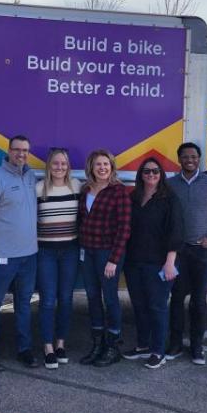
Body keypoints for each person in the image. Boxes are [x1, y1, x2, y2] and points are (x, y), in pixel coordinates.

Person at [165, 142, 207, 366]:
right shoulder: (170, 184)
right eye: (185, 156)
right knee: (176, 299)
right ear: (179, 159)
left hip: (202, 252)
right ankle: (175, 344)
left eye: (194, 156)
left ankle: (197, 347)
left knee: (199, 302)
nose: (190, 160)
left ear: (199, 158)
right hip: (178, 252)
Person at [0, 135, 39, 372]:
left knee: (24, 304)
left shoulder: (31, 176)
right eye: (17, 150)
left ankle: (24, 350)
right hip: (2, 255)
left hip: (29, 255)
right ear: (9, 151)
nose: (21, 154)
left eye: (25, 150)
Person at [122, 158, 182, 370]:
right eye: (146, 171)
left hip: (159, 263)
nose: (151, 175)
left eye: (155, 171)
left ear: (161, 174)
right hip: (134, 262)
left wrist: (170, 262)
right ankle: (143, 345)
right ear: (141, 175)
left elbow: (175, 232)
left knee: (157, 307)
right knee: (139, 306)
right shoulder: (134, 197)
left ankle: (158, 351)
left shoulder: (169, 199)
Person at [77, 149, 131, 367]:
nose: (102, 168)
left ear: (111, 167)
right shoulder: (86, 189)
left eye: (106, 165)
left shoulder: (119, 192)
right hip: (87, 252)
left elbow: (124, 228)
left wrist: (114, 259)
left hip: (107, 253)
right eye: (98, 164)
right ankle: (97, 344)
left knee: (109, 297)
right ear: (91, 167)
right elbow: (82, 220)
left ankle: (112, 346)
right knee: (91, 296)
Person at [34, 147, 82, 369]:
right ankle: (47, 347)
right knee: (47, 300)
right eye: (55, 163)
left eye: (63, 163)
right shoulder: (39, 189)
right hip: (46, 252)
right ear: (48, 166)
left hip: (70, 252)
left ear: (68, 166)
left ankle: (60, 344)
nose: (59, 167)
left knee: (65, 298)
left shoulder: (76, 186)